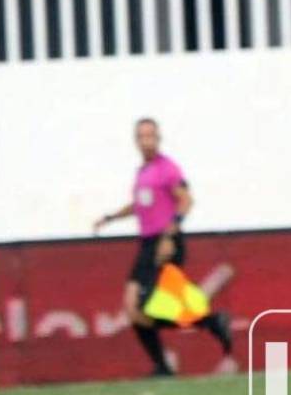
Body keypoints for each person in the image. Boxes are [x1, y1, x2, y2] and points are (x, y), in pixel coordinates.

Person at [93, 118, 232, 376]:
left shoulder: (168, 169)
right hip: (147, 243)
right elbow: (139, 204)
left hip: (165, 242)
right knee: (133, 309)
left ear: (159, 138)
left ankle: (208, 324)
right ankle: (168, 359)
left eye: (151, 136)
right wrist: (111, 217)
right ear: (136, 141)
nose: (147, 141)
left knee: (146, 306)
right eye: (142, 137)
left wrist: (170, 235)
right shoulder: (142, 173)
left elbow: (186, 201)